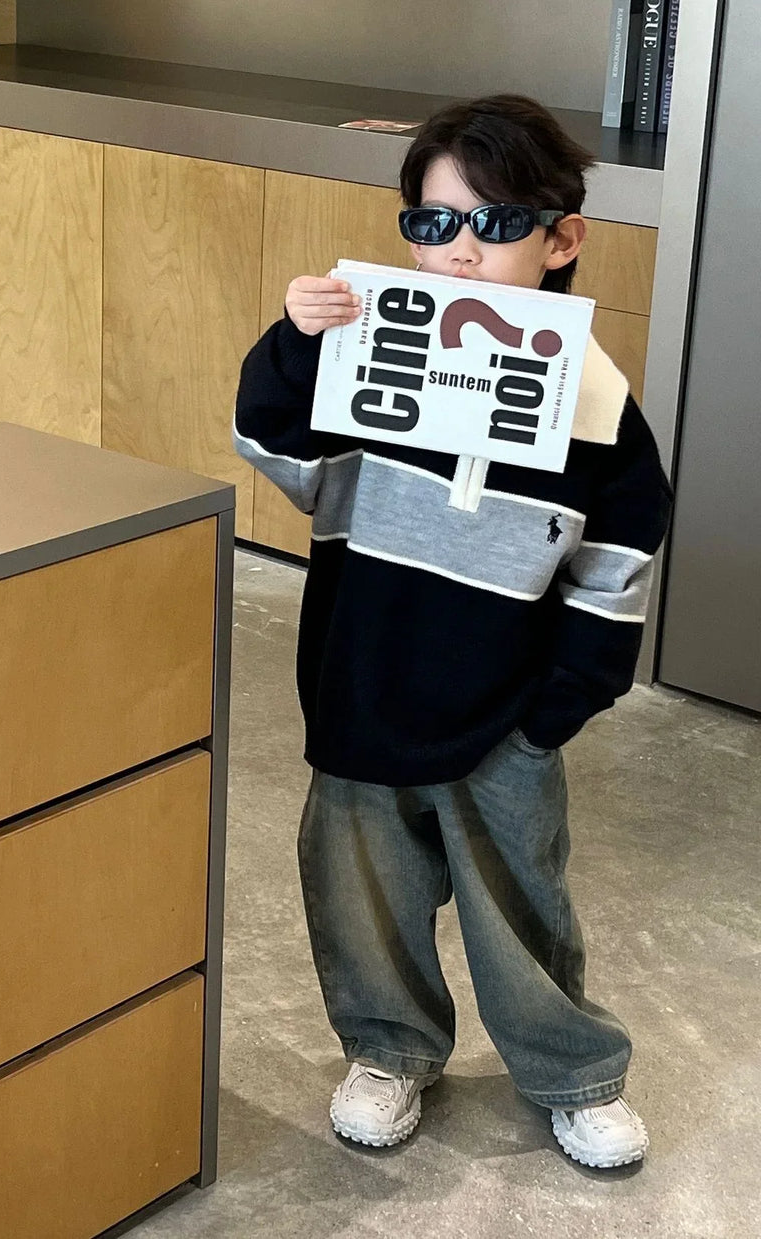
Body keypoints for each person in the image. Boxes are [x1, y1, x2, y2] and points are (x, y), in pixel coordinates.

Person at [232, 94, 673, 1170]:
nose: (460, 252)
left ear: (562, 237)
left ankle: (573, 1070)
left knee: (521, 906)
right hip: (362, 686)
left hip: (505, 718)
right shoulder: (367, 363)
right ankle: (388, 1047)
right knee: (362, 892)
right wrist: (295, 344)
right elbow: (272, 448)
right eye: (432, 225)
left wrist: (554, 712)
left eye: (496, 223)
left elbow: (615, 570)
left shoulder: (600, 409)